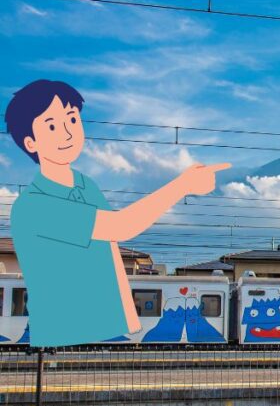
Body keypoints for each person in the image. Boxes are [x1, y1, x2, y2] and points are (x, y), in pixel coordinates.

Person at [5, 80, 231, 347]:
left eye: (72, 120)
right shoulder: (34, 206)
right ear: (31, 142)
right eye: (52, 126)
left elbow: (111, 248)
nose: (67, 133)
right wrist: (183, 184)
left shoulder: (86, 186)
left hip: (107, 329)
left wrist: (130, 325)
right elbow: (119, 227)